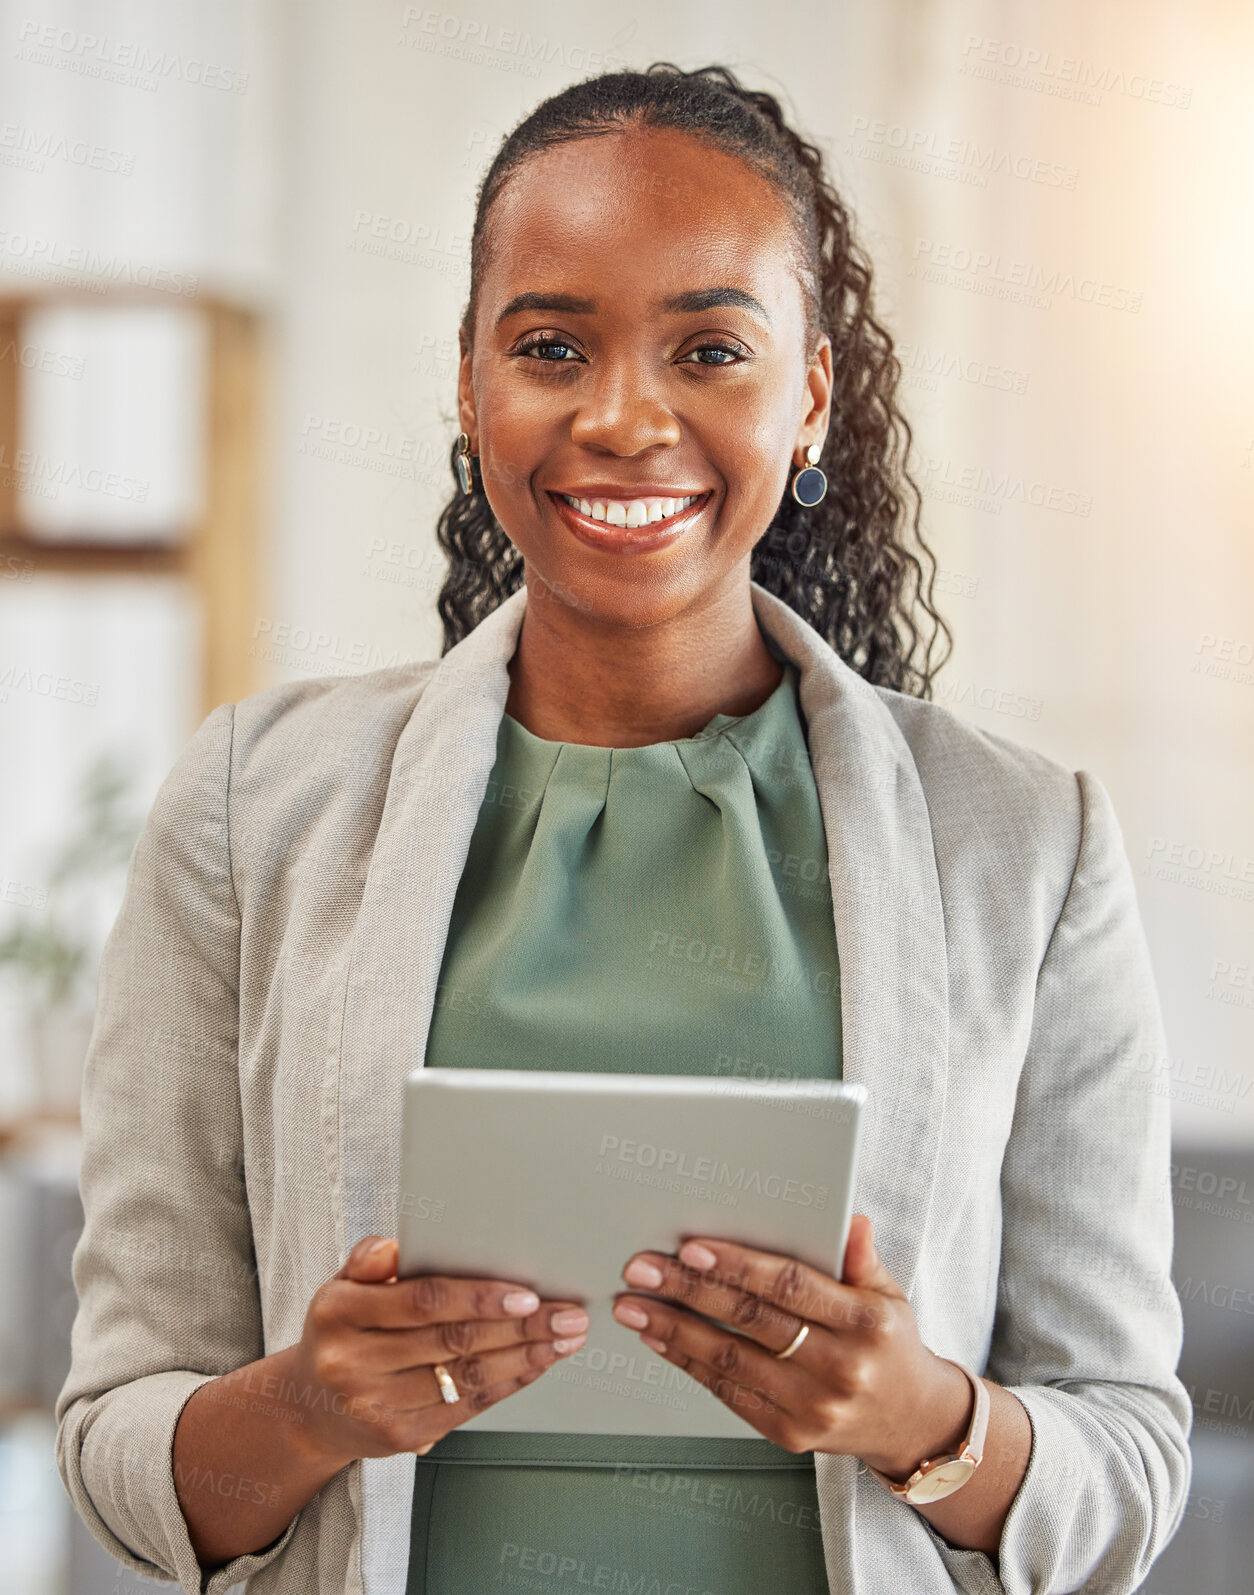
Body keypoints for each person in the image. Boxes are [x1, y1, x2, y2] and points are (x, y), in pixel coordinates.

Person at [56, 63, 1191, 1595]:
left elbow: (1127, 1465)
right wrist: (310, 1406)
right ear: (469, 387)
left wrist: (920, 1419)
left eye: (709, 348)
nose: (621, 416)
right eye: (549, 346)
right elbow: (126, 1448)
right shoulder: (255, 805)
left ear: (808, 398)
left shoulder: (1021, 845)